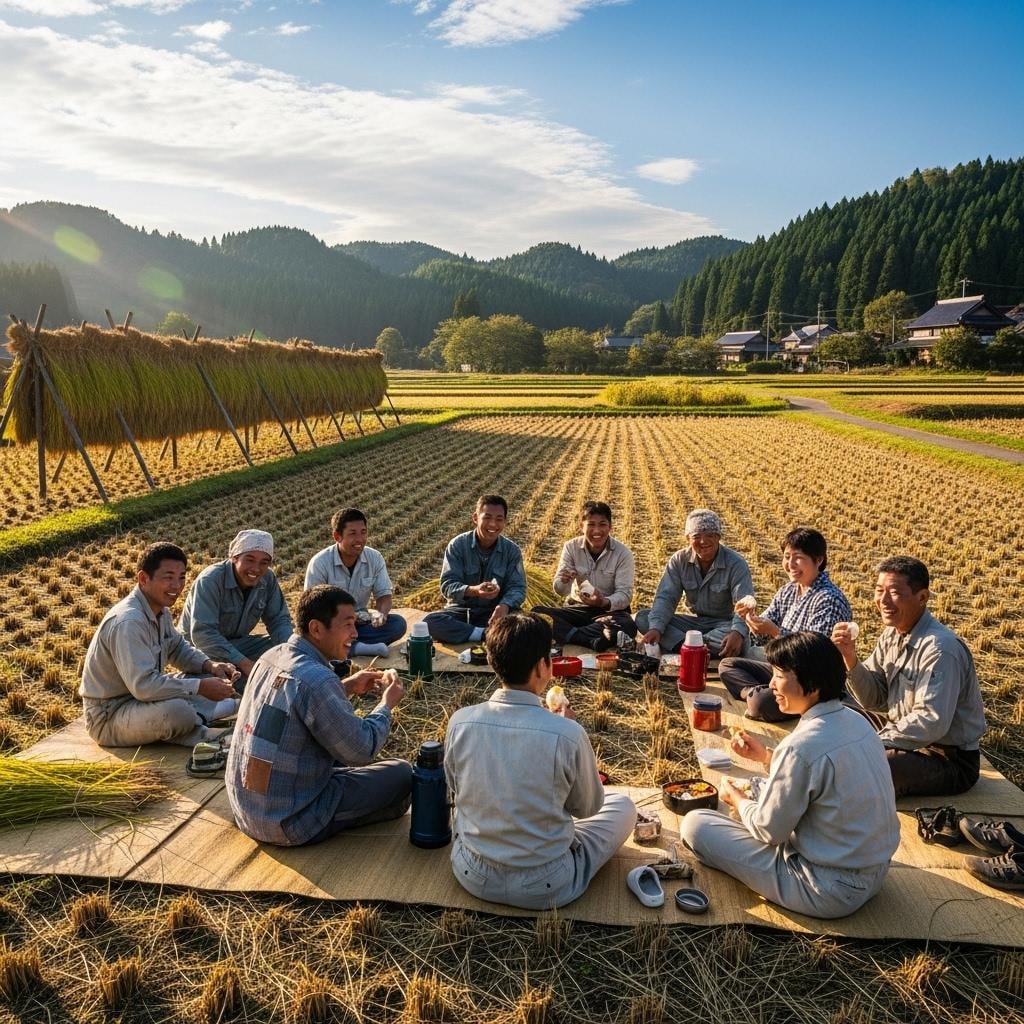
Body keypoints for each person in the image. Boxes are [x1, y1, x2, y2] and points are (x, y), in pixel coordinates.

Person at [681, 632, 900, 919]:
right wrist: (765, 757)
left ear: (813, 684)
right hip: (876, 873)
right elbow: (818, 777)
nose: (771, 684)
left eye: (779, 675)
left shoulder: (799, 747)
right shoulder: (858, 722)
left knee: (697, 825)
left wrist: (738, 799)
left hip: (827, 888)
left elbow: (769, 831)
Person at [444, 613, 636, 909]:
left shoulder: (460, 722)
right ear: (542, 666)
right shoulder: (568, 733)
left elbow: (455, 789)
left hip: (472, 872)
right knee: (623, 806)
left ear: (492, 661)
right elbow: (587, 808)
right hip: (546, 885)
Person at [225, 585, 412, 846]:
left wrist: (346, 686)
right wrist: (386, 704)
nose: (356, 634)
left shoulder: (269, 657)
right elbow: (361, 749)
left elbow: (296, 706)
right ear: (316, 629)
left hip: (247, 810)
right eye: (348, 625)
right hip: (289, 820)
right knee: (402, 775)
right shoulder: (318, 679)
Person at [832, 556, 986, 799]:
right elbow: (874, 698)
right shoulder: (891, 635)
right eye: (879, 590)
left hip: (947, 759)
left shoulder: (940, 649)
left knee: (869, 766)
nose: (883, 601)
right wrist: (850, 658)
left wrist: (872, 741)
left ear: (922, 597)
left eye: (894, 593)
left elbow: (930, 721)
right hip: (903, 736)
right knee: (834, 717)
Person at [79, 542, 241, 748]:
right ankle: (206, 733)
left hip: (143, 701)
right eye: (168, 577)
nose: (177, 586)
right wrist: (200, 687)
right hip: (110, 714)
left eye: (181, 577)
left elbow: (178, 648)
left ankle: (211, 713)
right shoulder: (129, 622)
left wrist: (211, 666)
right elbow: (144, 686)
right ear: (143, 579)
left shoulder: (160, 611)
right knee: (178, 711)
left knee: (206, 679)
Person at [720, 527, 852, 721]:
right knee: (727, 666)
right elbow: (762, 633)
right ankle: (760, 695)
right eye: (787, 557)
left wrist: (775, 632)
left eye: (798, 558)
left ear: (818, 560)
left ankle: (765, 699)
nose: (790, 564)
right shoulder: (788, 590)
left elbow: (814, 658)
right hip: (783, 671)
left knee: (761, 702)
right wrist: (750, 619)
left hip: (811, 683)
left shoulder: (829, 600)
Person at [178, 529, 293, 690]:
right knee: (221, 679)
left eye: (264, 562)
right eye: (250, 560)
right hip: (199, 649)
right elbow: (203, 634)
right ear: (234, 557)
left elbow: (278, 620)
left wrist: (291, 655)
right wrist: (246, 664)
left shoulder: (268, 579)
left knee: (281, 647)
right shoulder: (210, 580)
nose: (256, 569)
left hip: (237, 645)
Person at [636, 508, 752, 656]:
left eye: (710, 535)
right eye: (696, 536)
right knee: (644, 618)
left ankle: (685, 647)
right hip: (693, 624)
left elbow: (744, 605)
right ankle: (696, 648)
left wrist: (737, 632)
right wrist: (656, 628)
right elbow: (666, 598)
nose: (703, 541)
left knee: (739, 638)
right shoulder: (679, 560)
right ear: (688, 539)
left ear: (718, 537)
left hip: (723, 624)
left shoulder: (736, 563)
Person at [531, 500, 636, 651]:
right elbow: (560, 591)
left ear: (610, 527)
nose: (597, 531)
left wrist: (603, 602)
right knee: (537, 614)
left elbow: (625, 595)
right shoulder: (571, 547)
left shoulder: (623, 553)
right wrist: (563, 581)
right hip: (577, 608)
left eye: (602, 524)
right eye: (591, 524)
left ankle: (571, 634)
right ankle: (589, 639)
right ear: (581, 526)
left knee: (627, 624)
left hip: (609, 612)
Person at [423, 494, 526, 645]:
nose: (493, 524)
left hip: (496, 613)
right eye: (487, 517)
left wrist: (504, 605)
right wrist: (474, 590)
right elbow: (447, 585)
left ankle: (480, 633)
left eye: (499, 519)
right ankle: (485, 634)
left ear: (505, 521)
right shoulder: (457, 545)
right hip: (462, 612)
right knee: (429, 622)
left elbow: (518, 588)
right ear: (475, 518)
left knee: (527, 625)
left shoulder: (512, 550)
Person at [304, 508, 407, 658]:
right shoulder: (319, 564)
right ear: (337, 536)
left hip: (361, 624)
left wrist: (381, 614)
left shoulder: (374, 558)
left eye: (363, 532)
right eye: (352, 534)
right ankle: (356, 648)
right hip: (332, 625)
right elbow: (312, 610)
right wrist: (344, 620)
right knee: (315, 634)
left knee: (398, 624)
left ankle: (347, 646)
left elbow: (384, 596)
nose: (360, 539)